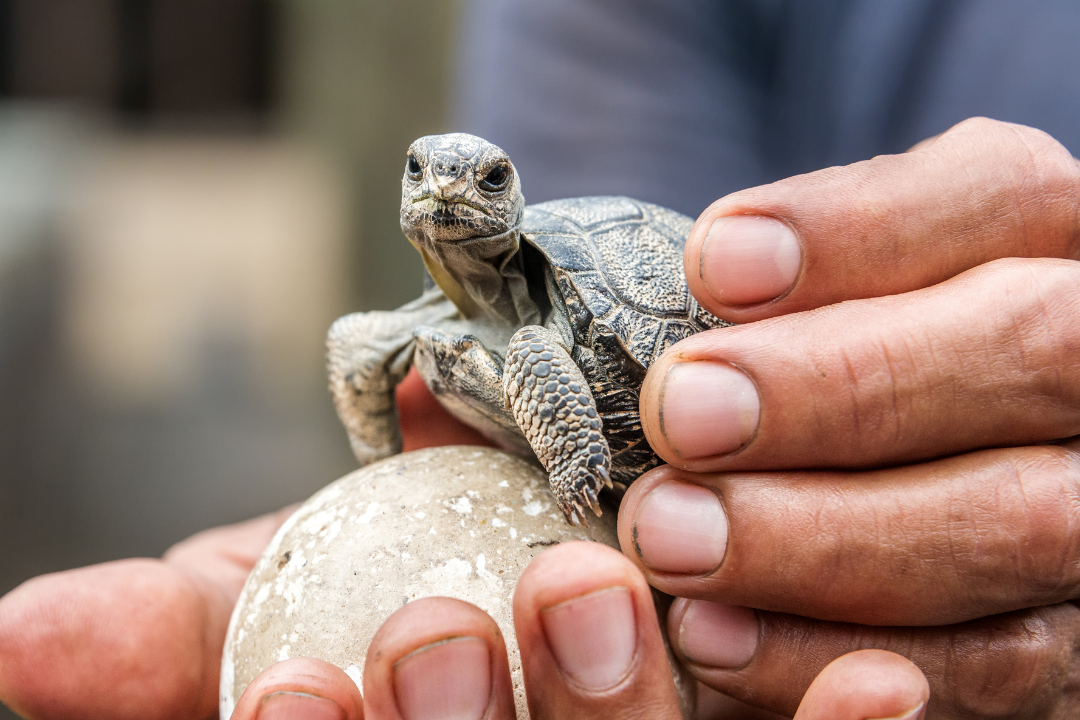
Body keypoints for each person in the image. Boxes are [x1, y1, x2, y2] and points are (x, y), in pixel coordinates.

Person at [3, 1, 1080, 718]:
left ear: (509, 199)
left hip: (744, 475)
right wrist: (388, 488)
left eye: (484, 185)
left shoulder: (538, 331)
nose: (448, 196)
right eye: (429, 177)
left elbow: (551, 374)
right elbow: (364, 358)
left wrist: (580, 497)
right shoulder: (431, 326)